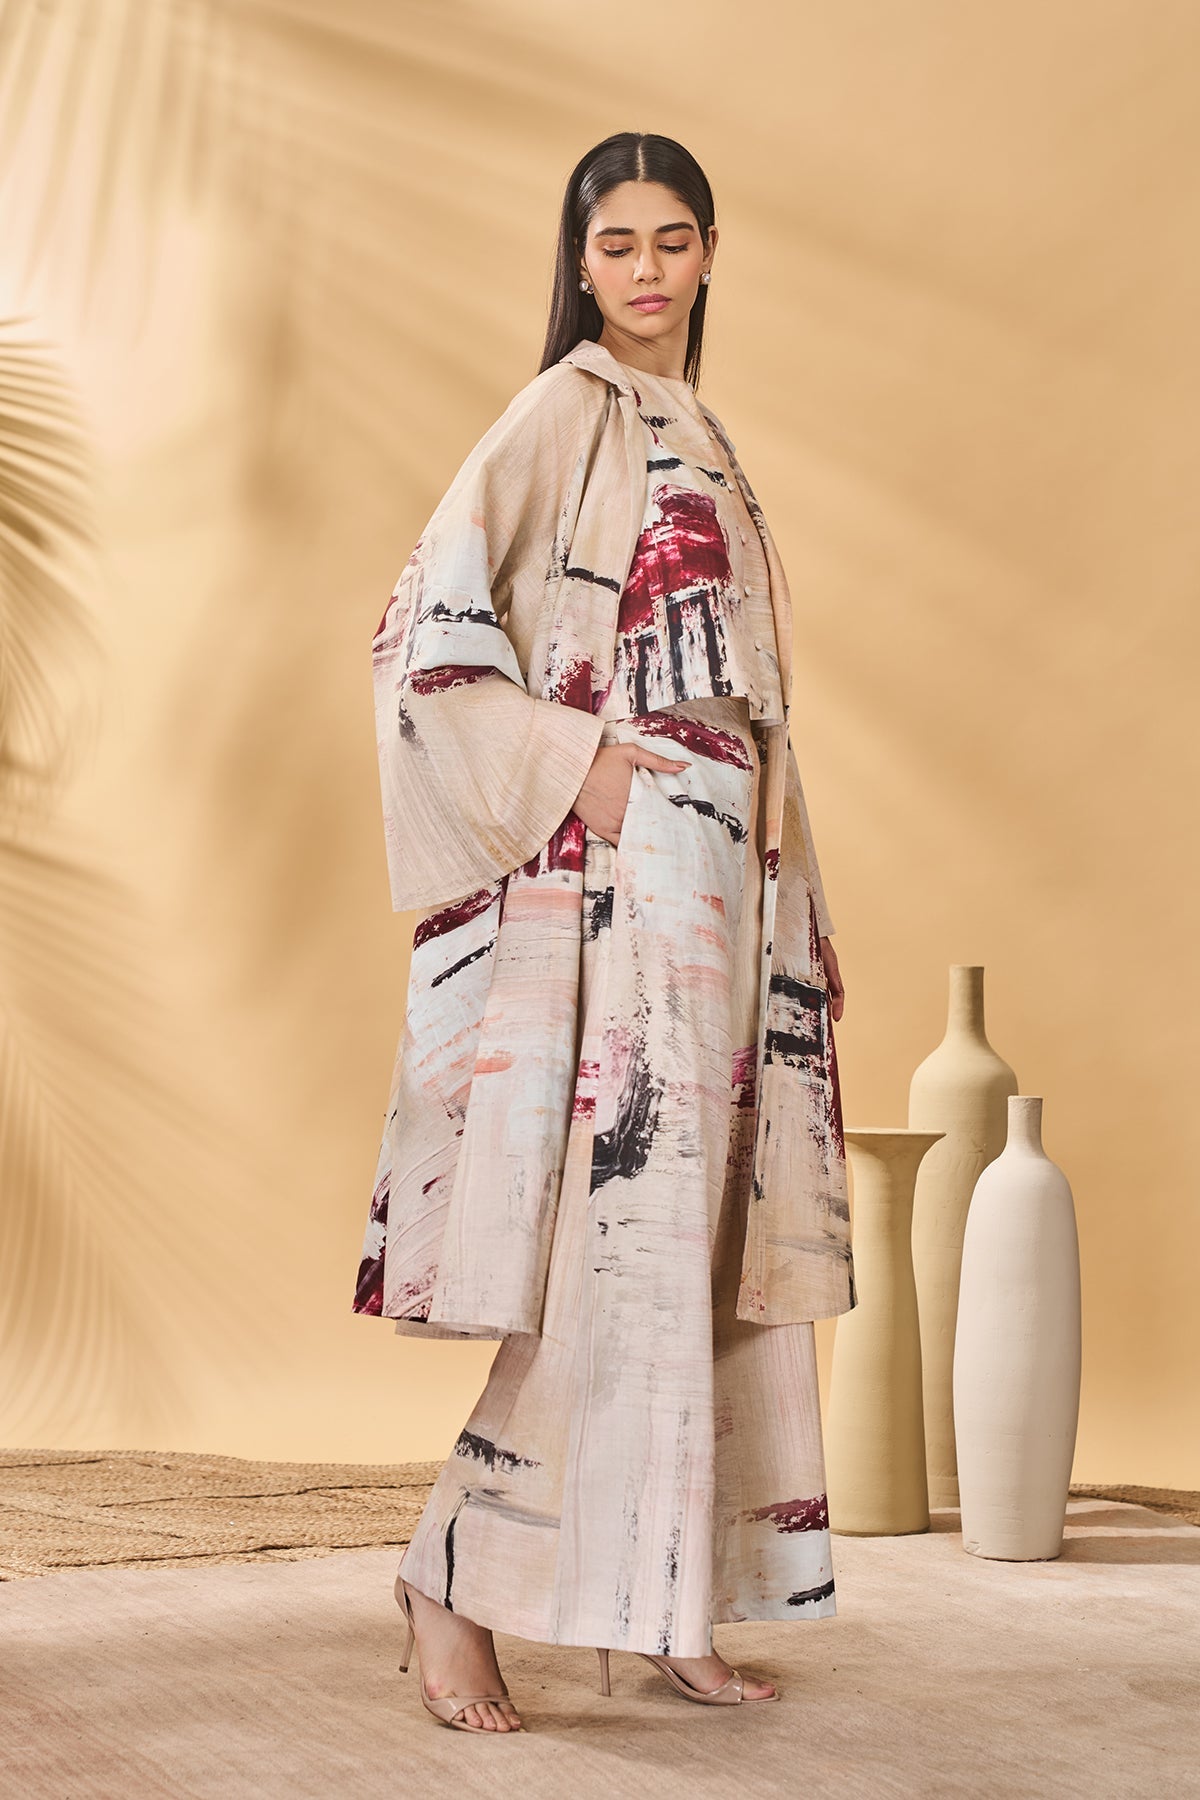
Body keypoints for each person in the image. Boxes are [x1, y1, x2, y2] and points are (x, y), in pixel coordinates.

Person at [353, 130, 856, 1735]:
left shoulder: (697, 425)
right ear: (579, 262)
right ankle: (448, 1580)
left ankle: (661, 1600)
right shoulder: (563, 410)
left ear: (709, 255)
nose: (648, 269)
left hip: (726, 880)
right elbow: (422, 635)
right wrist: (584, 766)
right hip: (635, 882)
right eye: (619, 242)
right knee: (618, 1251)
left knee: (699, 1254)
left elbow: (748, 695)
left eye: (675, 239)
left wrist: (777, 887)